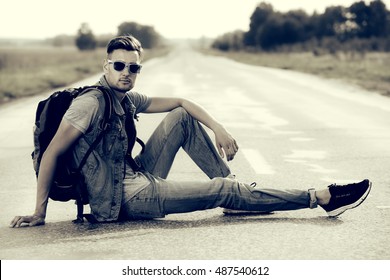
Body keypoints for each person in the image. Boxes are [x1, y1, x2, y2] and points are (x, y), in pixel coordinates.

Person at [10, 35, 371, 228]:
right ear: (105, 65)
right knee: (222, 190)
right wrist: (38, 211)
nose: (126, 73)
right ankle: (319, 197)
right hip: (123, 198)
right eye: (119, 66)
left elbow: (181, 101)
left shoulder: (125, 97)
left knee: (182, 117)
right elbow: (53, 152)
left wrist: (218, 127)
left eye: (133, 68)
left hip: (135, 174)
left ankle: (239, 197)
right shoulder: (91, 103)